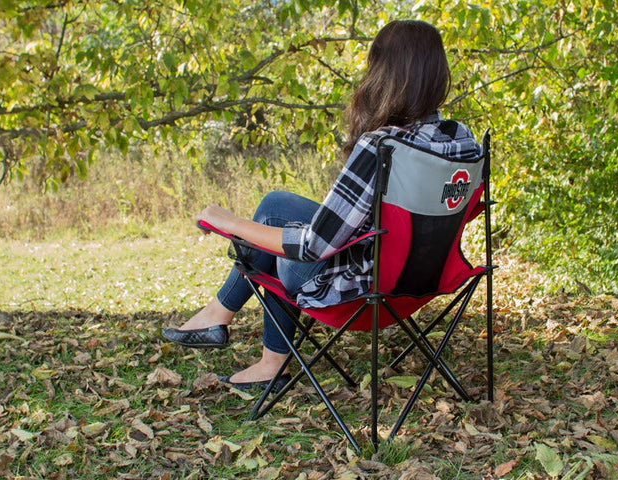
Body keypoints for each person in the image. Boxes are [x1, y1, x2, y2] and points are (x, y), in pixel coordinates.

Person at [162, 19, 482, 392]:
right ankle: (233, 328)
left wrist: (229, 222)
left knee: (277, 234)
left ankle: (232, 326)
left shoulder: (382, 147)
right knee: (277, 204)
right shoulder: (463, 143)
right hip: (423, 282)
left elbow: (314, 247)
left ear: (384, 75)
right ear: (436, 74)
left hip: (366, 292)